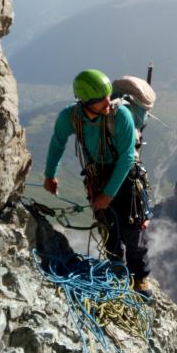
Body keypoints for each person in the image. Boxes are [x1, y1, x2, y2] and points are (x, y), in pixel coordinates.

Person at [43, 69, 153, 297]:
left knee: (132, 228)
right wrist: (49, 174)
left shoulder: (120, 114)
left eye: (108, 96)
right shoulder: (70, 117)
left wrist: (108, 195)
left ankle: (140, 277)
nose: (107, 102)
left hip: (126, 175)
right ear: (84, 102)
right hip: (98, 176)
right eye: (101, 99)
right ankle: (117, 271)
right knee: (107, 226)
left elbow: (127, 158)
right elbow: (57, 142)